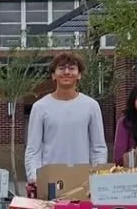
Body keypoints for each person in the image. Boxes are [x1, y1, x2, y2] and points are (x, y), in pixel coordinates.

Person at [23, 52, 107, 193]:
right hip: (50, 183)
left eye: (72, 68)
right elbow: (33, 150)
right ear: (53, 75)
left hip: (83, 183)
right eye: (61, 68)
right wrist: (34, 177)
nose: (67, 72)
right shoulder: (40, 107)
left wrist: (98, 177)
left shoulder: (91, 106)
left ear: (79, 75)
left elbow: (98, 148)